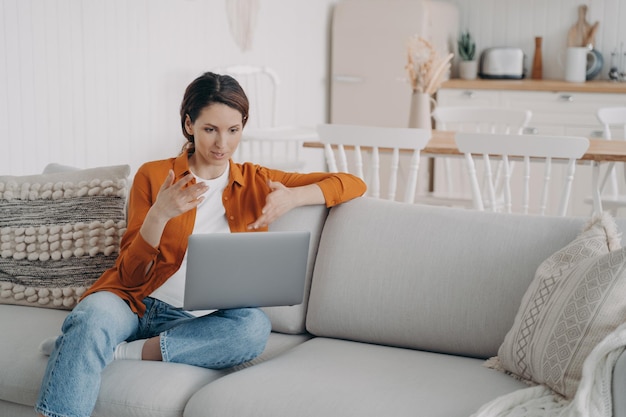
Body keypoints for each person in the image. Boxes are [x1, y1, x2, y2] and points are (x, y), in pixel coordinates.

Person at [35, 71, 366, 417]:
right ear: (189, 124)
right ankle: (86, 341)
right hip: (134, 302)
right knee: (91, 315)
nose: (222, 144)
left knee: (253, 328)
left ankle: (116, 350)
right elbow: (130, 274)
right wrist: (158, 216)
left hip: (200, 322)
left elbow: (352, 182)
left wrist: (294, 198)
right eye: (211, 129)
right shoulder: (154, 175)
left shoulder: (256, 180)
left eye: (233, 130)